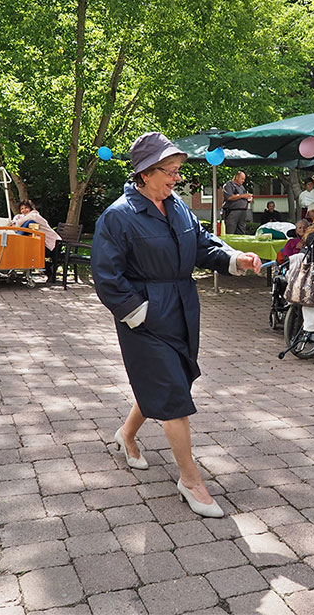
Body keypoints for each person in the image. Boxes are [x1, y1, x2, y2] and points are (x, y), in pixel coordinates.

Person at [92, 132, 263, 519]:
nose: (175, 178)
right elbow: (106, 276)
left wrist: (237, 258)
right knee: (171, 396)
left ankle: (127, 435)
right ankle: (190, 479)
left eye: (177, 171)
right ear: (145, 172)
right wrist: (139, 313)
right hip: (146, 317)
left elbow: (202, 244)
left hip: (184, 307)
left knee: (173, 382)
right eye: (169, 171)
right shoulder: (118, 216)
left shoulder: (179, 207)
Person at [12, 200, 62, 283]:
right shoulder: (26, 216)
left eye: (26, 208)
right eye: (22, 209)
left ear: (31, 208)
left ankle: (50, 273)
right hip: (46, 243)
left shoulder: (34, 215)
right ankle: (50, 273)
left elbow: (18, 223)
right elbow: (17, 218)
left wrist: (15, 222)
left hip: (54, 243)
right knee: (31, 254)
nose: (24, 210)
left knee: (33, 255)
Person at [221, 170, 252, 235]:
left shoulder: (242, 187)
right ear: (237, 177)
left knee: (241, 231)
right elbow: (229, 197)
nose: (243, 181)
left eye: (244, 179)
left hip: (242, 211)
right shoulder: (228, 185)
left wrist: (248, 199)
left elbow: (242, 196)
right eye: (242, 179)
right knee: (231, 230)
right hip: (232, 211)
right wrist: (242, 196)